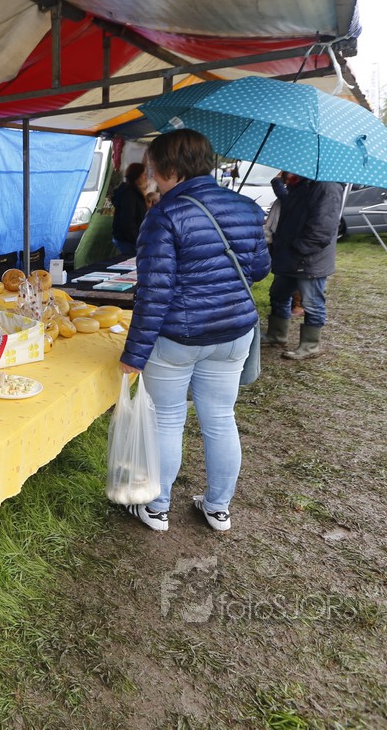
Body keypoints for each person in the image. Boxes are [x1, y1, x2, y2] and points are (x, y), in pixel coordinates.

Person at [119, 130, 269, 533]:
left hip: (177, 338)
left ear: (171, 168)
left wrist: (134, 354)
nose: (151, 175)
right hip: (233, 331)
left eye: (153, 167)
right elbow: (258, 270)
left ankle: (157, 508)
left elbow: (154, 293)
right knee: (220, 419)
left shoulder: (164, 215)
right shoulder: (246, 207)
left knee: (167, 421)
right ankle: (218, 508)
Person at [262, 172, 344, 360]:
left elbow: (323, 227)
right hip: (290, 255)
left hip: (309, 258)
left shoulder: (327, 186)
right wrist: (278, 182)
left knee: (312, 302)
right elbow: (289, 205)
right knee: (279, 295)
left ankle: (310, 346)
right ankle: (277, 335)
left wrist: (300, 248)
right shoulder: (303, 183)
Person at [110, 162, 148, 256]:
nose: (146, 178)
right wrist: (137, 240)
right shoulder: (129, 194)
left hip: (130, 239)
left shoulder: (134, 191)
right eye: (144, 175)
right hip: (127, 241)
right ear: (137, 176)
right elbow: (127, 220)